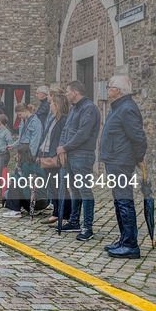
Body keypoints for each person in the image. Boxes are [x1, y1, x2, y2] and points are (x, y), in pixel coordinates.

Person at [100, 75, 147, 259]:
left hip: (121, 161)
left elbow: (139, 138)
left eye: (109, 87)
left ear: (117, 90)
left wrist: (139, 158)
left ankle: (130, 245)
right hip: (115, 160)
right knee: (119, 201)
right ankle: (124, 238)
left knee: (124, 201)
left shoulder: (127, 109)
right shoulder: (120, 107)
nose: (107, 89)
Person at [56, 80, 101, 240]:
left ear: (75, 92)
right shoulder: (74, 109)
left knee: (84, 190)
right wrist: (61, 146)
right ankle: (74, 221)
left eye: (68, 91)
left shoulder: (89, 108)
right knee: (74, 190)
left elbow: (83, 133)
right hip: (69, 155)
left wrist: (65, 147)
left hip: (82, 155)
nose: (66, 94)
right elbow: (65, 130)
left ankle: (87, 227)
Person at [37, 93, 70, 226]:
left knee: (60, 188)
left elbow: (61, 140)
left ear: (57, 105)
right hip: (46, 156)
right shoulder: (53, 120)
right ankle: (56, 213)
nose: (49, 105)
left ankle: (65, 215)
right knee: (52, 188)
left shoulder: (63, 121)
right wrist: (40, 152)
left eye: (52, 103)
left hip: (55, 158)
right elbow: (46, 138)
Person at [2, 145, 49, 218]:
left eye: (18, 154)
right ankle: (29, 209)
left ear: (21, 154)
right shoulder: (34, 163)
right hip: (43, 198)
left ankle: (15, 210)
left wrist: (13, 176)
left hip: (36, 197)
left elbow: (22, 181)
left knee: (15, 184)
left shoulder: (27, 165)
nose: (16, 155)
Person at [0, 114, 13, 198]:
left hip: (3, 155)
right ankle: (1, 193)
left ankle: (4, 194)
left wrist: (2, 149)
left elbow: (9, 143)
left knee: (2, 175)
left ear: (0, 122)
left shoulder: (6, 132)